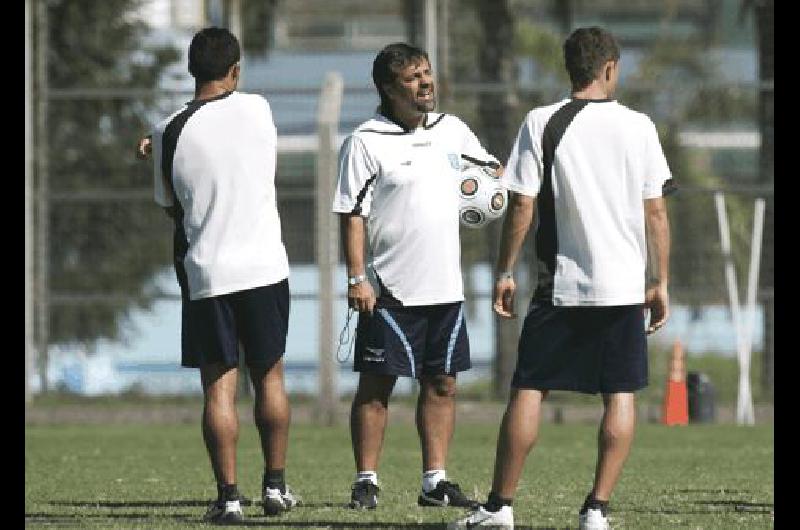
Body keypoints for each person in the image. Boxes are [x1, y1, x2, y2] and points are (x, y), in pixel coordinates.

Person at [451, 27, 674, 530]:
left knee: (530, 388)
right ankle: (596, 510)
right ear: (611, 68)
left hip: (562, 285)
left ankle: (500, 508)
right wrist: (659, 282)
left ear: (569, 68)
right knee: (620, 394)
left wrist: (505, 270)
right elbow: (656, 211)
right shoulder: (638, 126)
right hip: (622, 287)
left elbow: (522, 205)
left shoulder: (541, 121)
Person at [332, 42, 503, 511]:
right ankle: (366, 479)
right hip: (389, 288)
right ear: (389, 88)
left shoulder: (454, 131)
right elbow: (351, 214)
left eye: (427, 73)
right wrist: (355, 278)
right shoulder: (366, 140)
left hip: (445, 286)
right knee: (376, 387)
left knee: (442, 385)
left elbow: (489, 175)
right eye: (413, 77)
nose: (426, 83)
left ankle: (435, 480)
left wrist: (490, 185)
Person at [138, 27, 298, 524]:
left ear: (190, 69)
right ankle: (275, 488)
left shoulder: (168, 130)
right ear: (235, 69)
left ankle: (228, 497)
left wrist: (155, 148)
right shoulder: (258, 109)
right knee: (269, 376)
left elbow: (172, 209)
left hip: (208, 271)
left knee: (218, 388)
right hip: (265, 266)